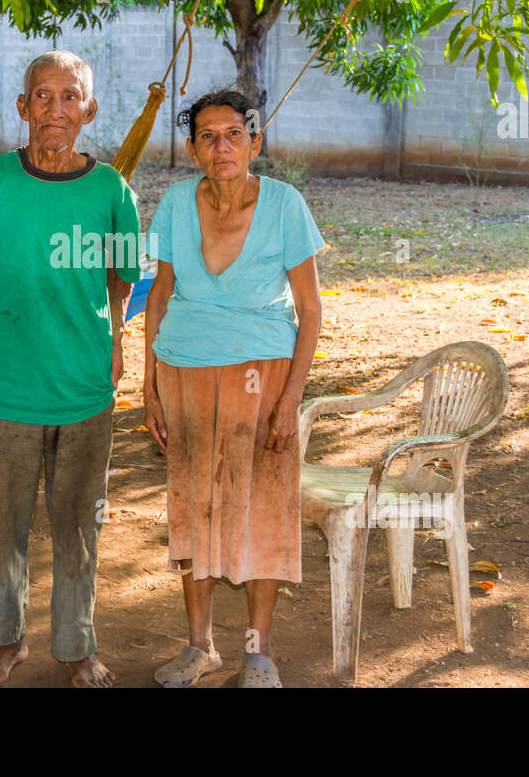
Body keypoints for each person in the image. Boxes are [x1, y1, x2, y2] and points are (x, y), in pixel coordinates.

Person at [0, 50, 142, 687]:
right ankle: (5, 644)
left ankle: (77, 646)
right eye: (42, 96)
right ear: (24, 107)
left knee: (80, 526)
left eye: (69, 96)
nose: (55, 109)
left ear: (87, 109)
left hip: (83, 390)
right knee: (2, 527)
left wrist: (115, 345)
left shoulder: (113, 191)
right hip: (1, 390)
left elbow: (120, 280)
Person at [143, 88, 323, 688]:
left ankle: (258, 651)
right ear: (193, 149)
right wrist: (149, 385)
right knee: (196, 507)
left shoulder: (284, 204)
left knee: (262, 510)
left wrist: (291, 397)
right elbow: (160, 295)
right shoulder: (173, 203)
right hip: (184, 370)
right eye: (207, 136)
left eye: (233, 134)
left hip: (263, 376)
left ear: (255, 141)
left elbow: (311, 310)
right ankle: (200, 647)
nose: (222, 147)